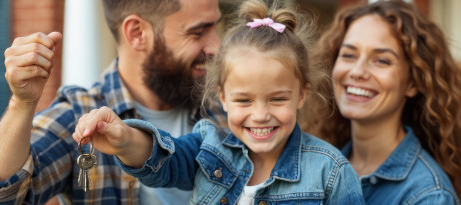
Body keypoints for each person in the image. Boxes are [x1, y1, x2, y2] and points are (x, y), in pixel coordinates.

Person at [70, 1, 364, 204]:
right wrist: (124, 140)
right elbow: (162, 160)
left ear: (301, 94)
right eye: (244, 100)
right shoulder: (209, 149)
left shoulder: (331, 171)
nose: (260, 115)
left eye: (277, 99)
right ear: (222, 97)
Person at [0, 0, 222, 204]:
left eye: (215, 27)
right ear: (137, 33)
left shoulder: (230, 107)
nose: (216, 46)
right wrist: (21, 103)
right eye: (198, 32)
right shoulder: (80, 118)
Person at [302, 0, 461, 204]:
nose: (357, 71)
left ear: (413, 82)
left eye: (382, 60)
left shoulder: (429, 195)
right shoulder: (321, 164)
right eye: (349, 55)